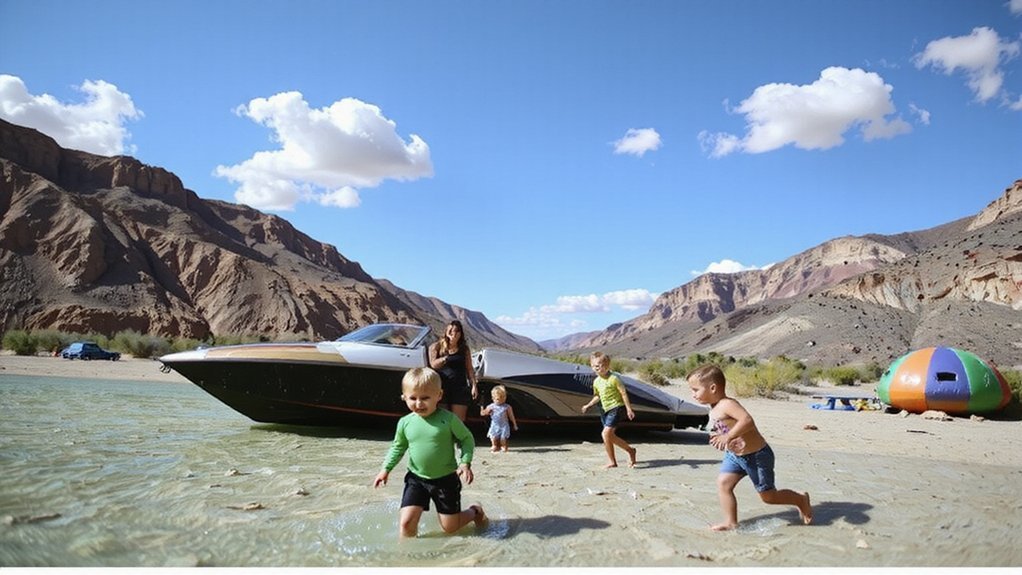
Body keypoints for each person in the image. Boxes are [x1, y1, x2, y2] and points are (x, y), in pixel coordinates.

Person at [686, 364, 813, 531]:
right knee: (724, 484)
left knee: (768, 497)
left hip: (757, 456)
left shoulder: (727, 404)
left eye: (695, 390)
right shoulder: (714, 407)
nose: (693, 394)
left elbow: (747, 420)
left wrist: (728, 437)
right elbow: (724, 426)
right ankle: (730, 522)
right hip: (735, 456)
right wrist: (718, 438)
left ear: (713, 388)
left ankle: (800, 499)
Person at [373, 367, 487, 538]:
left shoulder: (448, 419)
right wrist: (385, 469)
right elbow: (397, 447)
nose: (419, 404)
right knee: (406, 524)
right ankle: (408, 558)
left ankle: (475, 511)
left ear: (439, 395)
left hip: (445, 480)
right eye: (413, 398)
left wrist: (465, 462)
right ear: (404, 397)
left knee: (450, 528)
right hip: (416, 479)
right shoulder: (405, 423)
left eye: (425, 398)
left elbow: (467, 439)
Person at [580, 351, 637, 468]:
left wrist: (629, 409)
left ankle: (615, 459)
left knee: (605, 434)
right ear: (592, 367)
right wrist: (588, 405)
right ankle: (628, 452)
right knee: (609, 436)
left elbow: (623, 393)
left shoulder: (614, 378)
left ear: (608, 366)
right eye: (597, 366)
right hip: (604, 409)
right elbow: (597, 396)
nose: (600, 368)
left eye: (604, 365)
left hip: (616, 407)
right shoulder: (596, 381)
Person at [428, 320, 478, 421]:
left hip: (460, 387)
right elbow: (433, 364)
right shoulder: (437, 346)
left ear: (461, 333)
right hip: (442, 388)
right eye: (451, 330)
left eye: (457, 331)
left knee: (458, 422)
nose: (454, 333)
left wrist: (474, 386)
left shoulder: (464, 349)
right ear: (446, 331)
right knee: (442, 420)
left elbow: (469, 369)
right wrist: (447, 358)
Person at [480, 385, 518, 452]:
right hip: (495, 425)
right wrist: (483, 410)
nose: (501, 400)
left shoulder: (507, 407)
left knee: (503, 438)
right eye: (498, 399)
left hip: (504, 425)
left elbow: (511, 416)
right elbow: (483, 413)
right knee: (493, 437)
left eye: (503, 398)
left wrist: (514, 424)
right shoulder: (491, 406)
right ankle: (494, 445)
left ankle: (503, 446)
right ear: (493, 398)